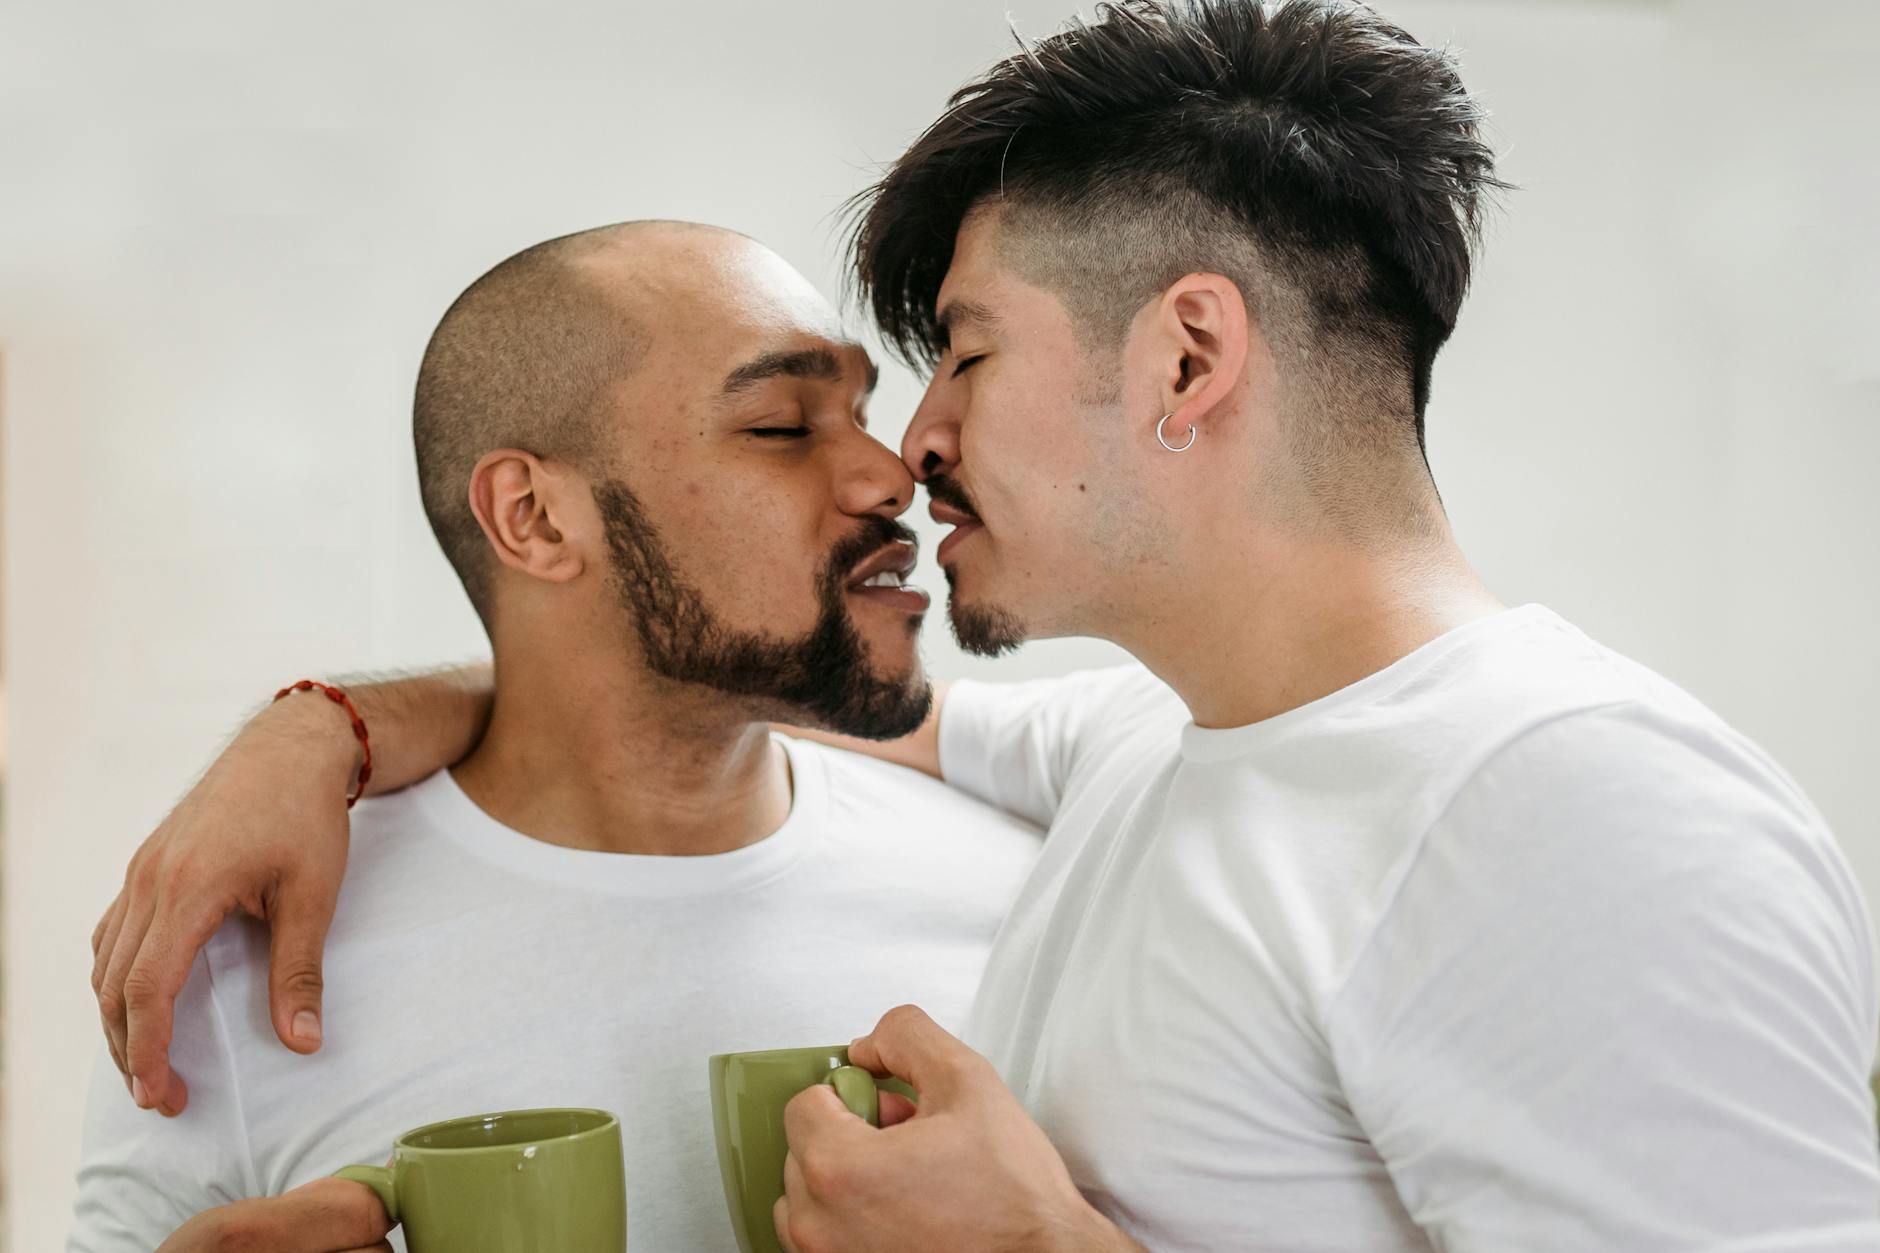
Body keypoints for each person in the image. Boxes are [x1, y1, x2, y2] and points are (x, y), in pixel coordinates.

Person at [92, 2, 1880, 1250]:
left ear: (1187, 358)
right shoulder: (1146, 751)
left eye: (964, 350)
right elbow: (726, 672)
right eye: (817, 412)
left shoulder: (1569, 809)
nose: (910, 447)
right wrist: (318, 723)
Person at [68, 221, 1043, 1252]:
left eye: (859, 412)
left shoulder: (1028, 876)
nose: (890, 477)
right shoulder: (234, 968)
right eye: (781, 426)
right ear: (531, 517)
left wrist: (323, 721)